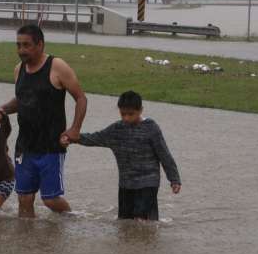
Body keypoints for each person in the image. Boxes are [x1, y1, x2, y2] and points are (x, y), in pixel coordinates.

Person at [0, 25, 87, 218]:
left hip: (51, 146)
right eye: (18, 45)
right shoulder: (19, 70)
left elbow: (81, 98)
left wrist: (75, 129)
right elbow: (22, 100)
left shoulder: (57, 66)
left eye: (26, 45)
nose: (21, 50)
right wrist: (3, 110)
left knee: (50, 199)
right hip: (25, 147)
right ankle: (29, 245)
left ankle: (73, 220)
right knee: (24, 199)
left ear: (40, 45)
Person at [67, 91, 181, 221]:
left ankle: (148, 241)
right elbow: (95, 138)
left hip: (148, 182)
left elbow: (164, 154)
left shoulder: (151, 128)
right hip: (126, 183)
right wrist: (72, 138)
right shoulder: (116, 129)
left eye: (131, 114)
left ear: (141, 110)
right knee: (124, 221)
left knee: (143, 221)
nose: (126, 118)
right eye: (123, 114)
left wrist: (174, 179)